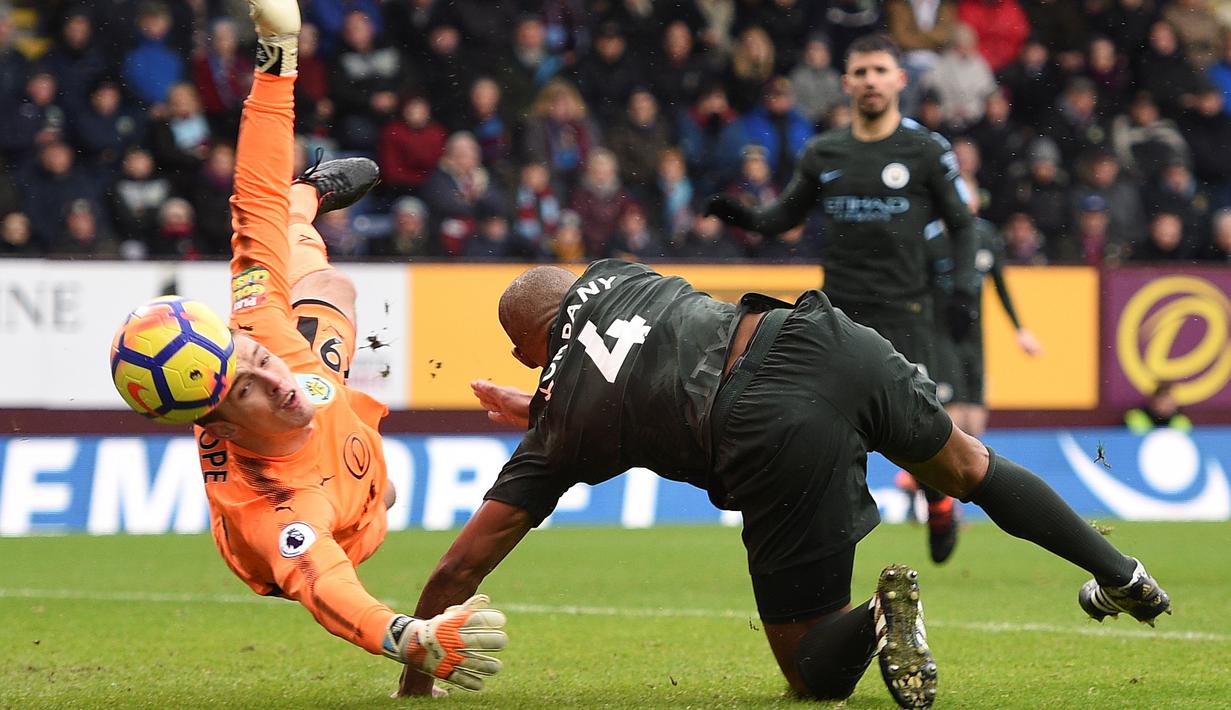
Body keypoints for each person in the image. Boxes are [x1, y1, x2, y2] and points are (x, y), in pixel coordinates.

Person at [395, 259, 1171, 708]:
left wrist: (414, 680)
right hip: (821, 335)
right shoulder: (613, 275)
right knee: (968, 465)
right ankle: (1123, 575)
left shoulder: (557, 420)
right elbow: (620, 357)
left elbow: (459, 567)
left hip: (764, 424)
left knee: (807, 675)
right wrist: (541, 403)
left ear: (527, 342)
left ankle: (877, 615)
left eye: (524, 355)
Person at [109, 0, 507, 695]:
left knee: (323, 282)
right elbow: (327, 588)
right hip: (345, 514)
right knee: (376, 495)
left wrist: (276, 52)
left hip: (330, 432)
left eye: (255, 361)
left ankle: (309, 196)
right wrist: (407, 638)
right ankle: (306, 206)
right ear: (216, 420)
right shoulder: (271, 509)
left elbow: (251, 198)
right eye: (247, 389)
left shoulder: (260, 334)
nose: (274, 379)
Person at [704, 34, 977, 563]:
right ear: (846, 82)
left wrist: (964, 290)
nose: (870, 80)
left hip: (908, 310)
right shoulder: (825, 151)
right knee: (818, 423)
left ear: (900, 79)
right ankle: (822, 535)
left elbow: (963, 227)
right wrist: (743, 216)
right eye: (861, 72)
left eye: (880, 70)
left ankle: (939, 502)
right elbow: (784, 217)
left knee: (918, 431)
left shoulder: (925, 150)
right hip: (839, 315)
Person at [1125, 382, 1193, 434]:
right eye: (1163, 402)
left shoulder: (1181, 421)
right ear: (1154, 401)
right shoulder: (1137, 417)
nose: (1168, 406)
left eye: (1170, 402)